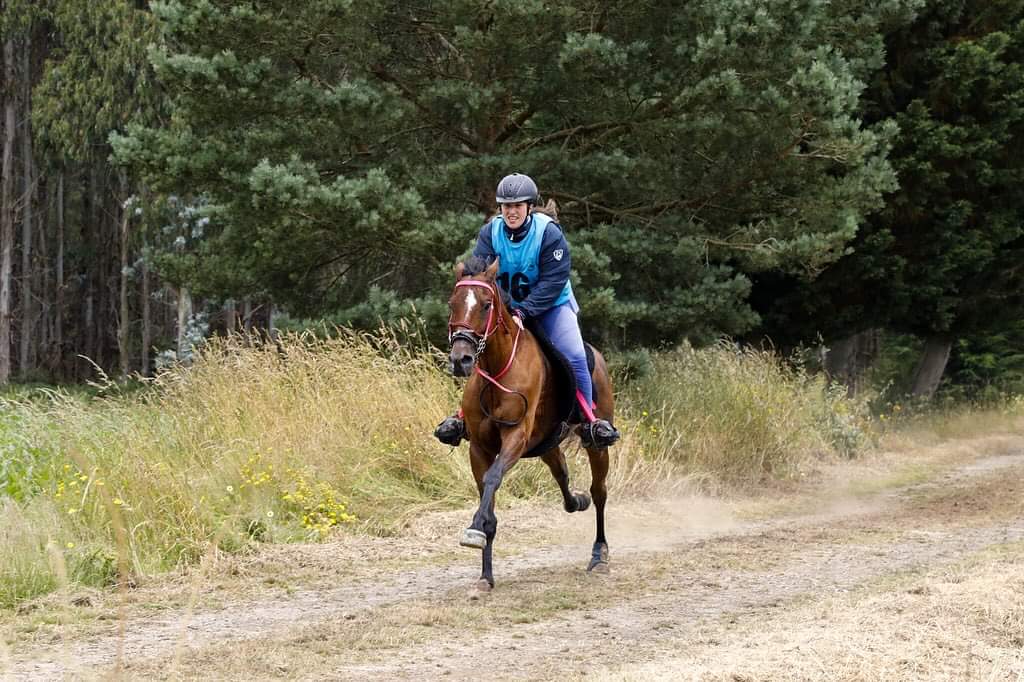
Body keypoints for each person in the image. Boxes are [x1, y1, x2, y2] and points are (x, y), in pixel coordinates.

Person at [435, 172, 620, 448]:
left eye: (517, 206)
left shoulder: (548, 233)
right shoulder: (490, 232)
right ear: (501, 209)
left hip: (552, 306)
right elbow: (481, 273)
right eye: (506, 206)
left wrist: (525, 310)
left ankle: (590, 421)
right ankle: (464, 417)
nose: (512, 211)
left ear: (529, 207)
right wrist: (496, 302)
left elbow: (554, 281)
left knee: (573, 353)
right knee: (482, 349)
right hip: (509, 307)